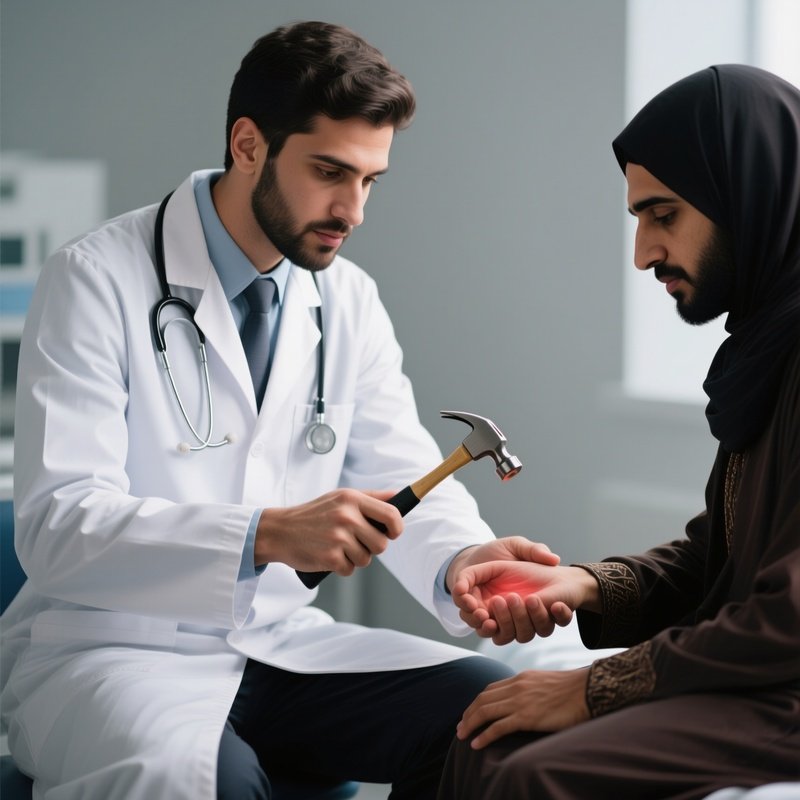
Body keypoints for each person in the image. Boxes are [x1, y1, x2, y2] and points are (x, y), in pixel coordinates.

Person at [0, 21, 556, 800]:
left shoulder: (348, 299)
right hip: (111, 650)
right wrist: (265, 535)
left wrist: (463, 561)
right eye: (330, 171)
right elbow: (57, 524)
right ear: (249, 144)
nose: (352, 209)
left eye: (370, 180)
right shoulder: (94, 280)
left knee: (500, 723)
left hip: (279, 644)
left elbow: (397, 473)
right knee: (202, 782)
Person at [437, 64, 800, 799]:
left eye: (663, 216)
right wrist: (584, 584)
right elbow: (722, 559)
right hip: (761, 677)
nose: (642, 253)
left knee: (534, 775)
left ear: (747, 196)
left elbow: (787, 612)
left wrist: (597, 687)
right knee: (484, 743)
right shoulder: (769, 345)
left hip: (785, 693)